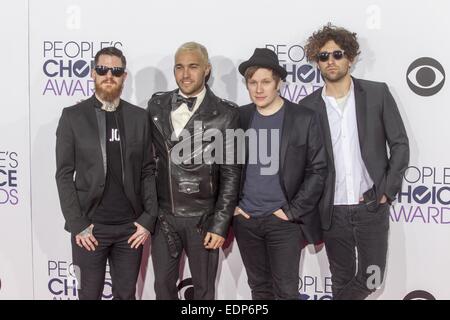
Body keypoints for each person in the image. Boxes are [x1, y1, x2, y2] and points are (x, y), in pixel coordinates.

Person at [301, 23, 410, 299]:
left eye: (337, 54)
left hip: (371, 207)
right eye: (323, 56)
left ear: (350, 57)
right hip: (332, 210)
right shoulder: (307, 106)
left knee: (372, 279)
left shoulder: (376, 94)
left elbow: (399, 144)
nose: (331, 61)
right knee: (341, 279)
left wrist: (386, 189)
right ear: (317, 62)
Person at [55, 47, 157, 300]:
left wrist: (148, 218)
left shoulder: (139, 117)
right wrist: (78, 225)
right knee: (88, 294)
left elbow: (148, 170)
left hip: (130, 230)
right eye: (102, 69)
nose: (109, 75)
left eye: (116, 70)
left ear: (124, 76)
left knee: (127, 295)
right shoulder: (72, 117)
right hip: (90, 229)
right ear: (93, 73)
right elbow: (64, 174)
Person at [147, 41, 241, 300]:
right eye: (179, 67)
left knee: (203, 292)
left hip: (204, 220)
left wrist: (220, 224)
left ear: (207, 70)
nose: (185, 74)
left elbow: (232, 173)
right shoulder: (156, 106)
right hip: (164, 219)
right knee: (162, 289)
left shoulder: (226, 113)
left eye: (193, 67)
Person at [233, 48, 327, 299]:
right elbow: (226, 166)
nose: (259, 89)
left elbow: (318, 170)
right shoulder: (239, 117)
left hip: (283, 222)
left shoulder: (303, 118)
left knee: (286, 291)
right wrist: (234, 207)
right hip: (247, 220)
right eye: (253, 83)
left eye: (265, 82)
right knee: (259, 288)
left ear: (278, 84)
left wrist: (292, 211)